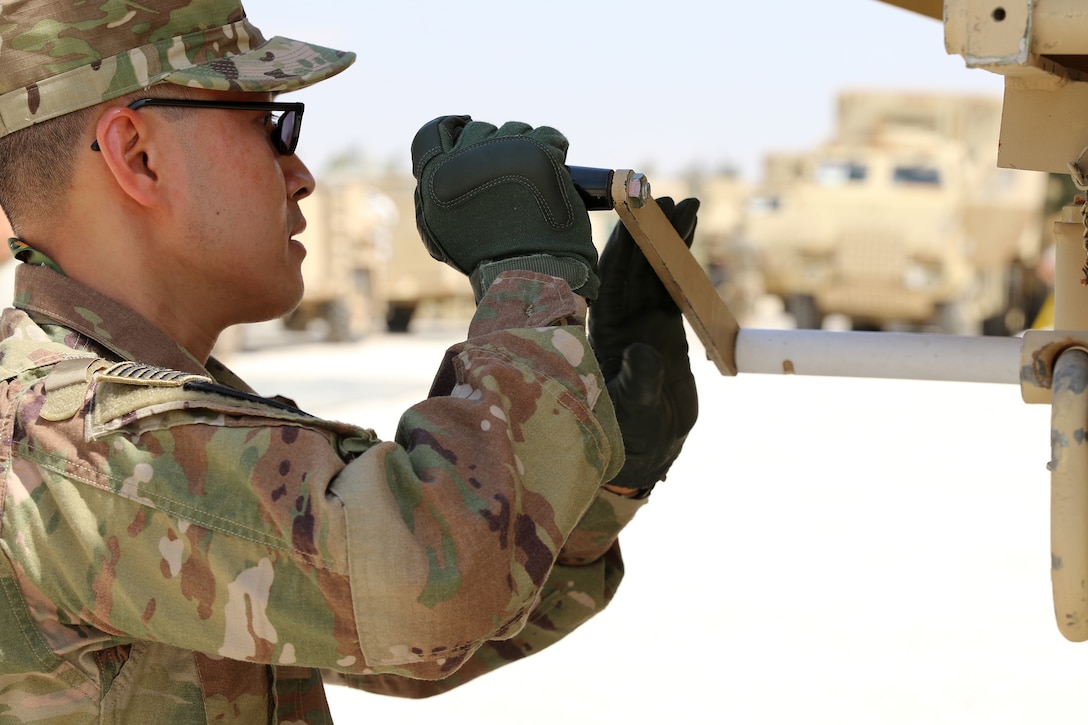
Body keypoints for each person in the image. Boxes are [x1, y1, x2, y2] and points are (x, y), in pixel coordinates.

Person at [0, 1, 698, 721]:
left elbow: (395, 637)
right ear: (138, 154)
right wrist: (530, 279)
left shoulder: (120, 406)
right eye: (270, 127)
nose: (301, 175)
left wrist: (609, 476)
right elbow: (431, 580)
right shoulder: (65, 436)